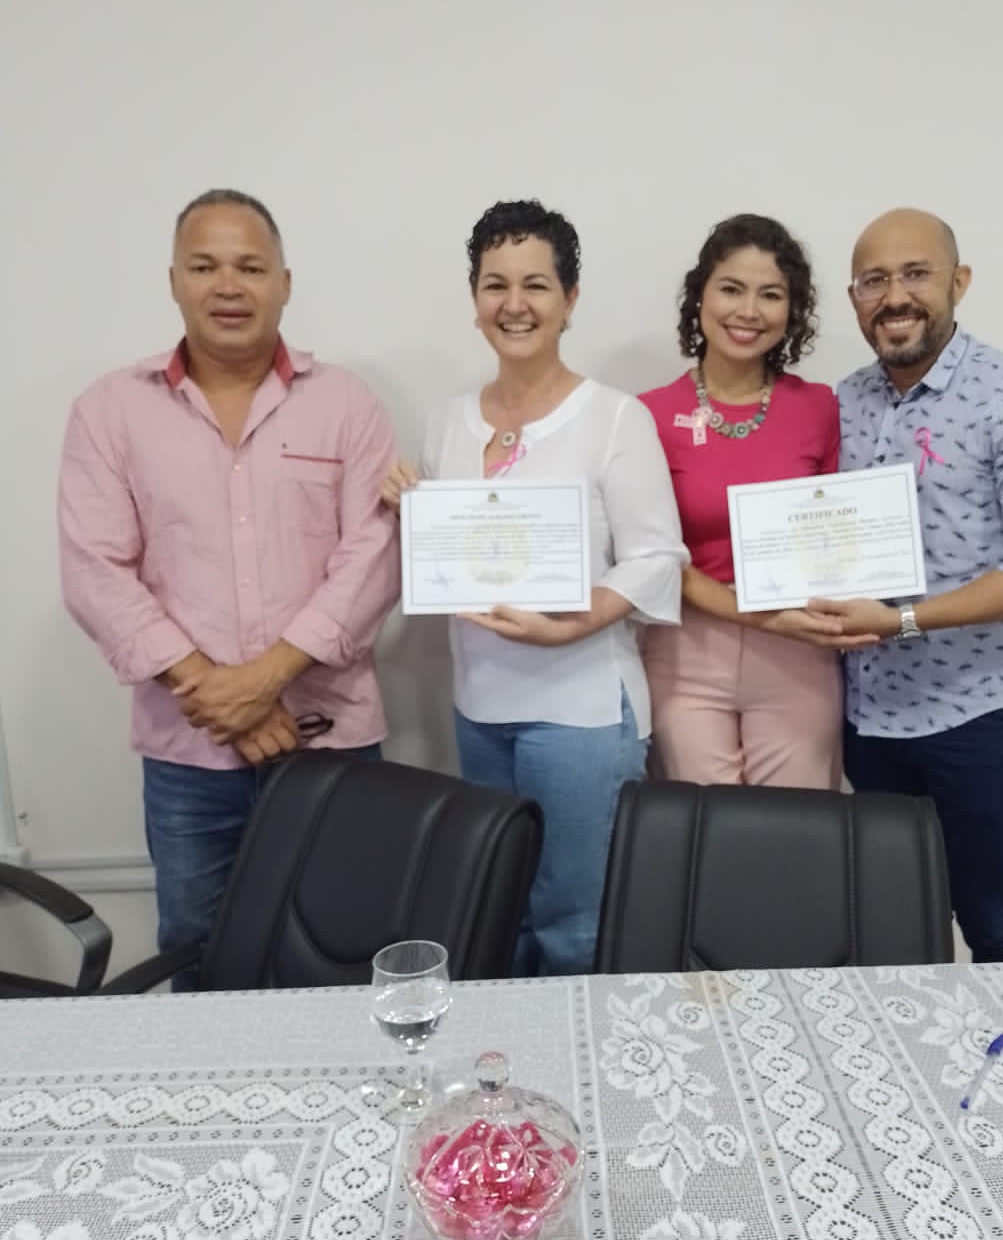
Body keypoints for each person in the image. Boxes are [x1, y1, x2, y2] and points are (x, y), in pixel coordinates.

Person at [59, 189, 402, 988]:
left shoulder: (347, 404)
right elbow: (94, 568)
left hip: (331, 741)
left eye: (249, 266)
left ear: (285, 282)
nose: (228, 285)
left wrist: (262, 680)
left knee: (347, 947)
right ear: (173, 281)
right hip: (189, 754)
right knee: (202, 954)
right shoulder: (110, 411)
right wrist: (217, 694)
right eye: (205, 266)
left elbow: (375, 555)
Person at [382, 199, 686, 977]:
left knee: (574, 926)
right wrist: (413, 514)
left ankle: (579, 1058)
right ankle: (510, 1056)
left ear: (570, 300)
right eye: (495, 284)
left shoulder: (614, 419)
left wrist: (571, 625)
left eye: (536, 285)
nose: (514, 304)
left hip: (581, 713)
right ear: (474, 298)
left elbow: (657, 558)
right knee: (498, 910)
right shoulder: (447, 423)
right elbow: (458, 557)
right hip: (479, 707)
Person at [809, 207, 1003, 962]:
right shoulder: (842, 403)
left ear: (959, 282)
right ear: (854, 297)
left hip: (982, 716)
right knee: (889, 928)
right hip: (868, 717)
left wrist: (904, 619)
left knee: (992, 923)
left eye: (916, 274)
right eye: (874, 280)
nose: (894, 296)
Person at [639, 213, 873, 788]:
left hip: (799, 650)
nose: (748, 311)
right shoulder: (647, 414)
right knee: (698, 828)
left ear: (792, 311)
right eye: (731, 289)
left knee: (796, 829)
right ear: (700, 296)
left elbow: (841, 535)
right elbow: (656, 554)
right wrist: (764, 615)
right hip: (686, 652)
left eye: (770, 294)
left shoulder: (821, 406)